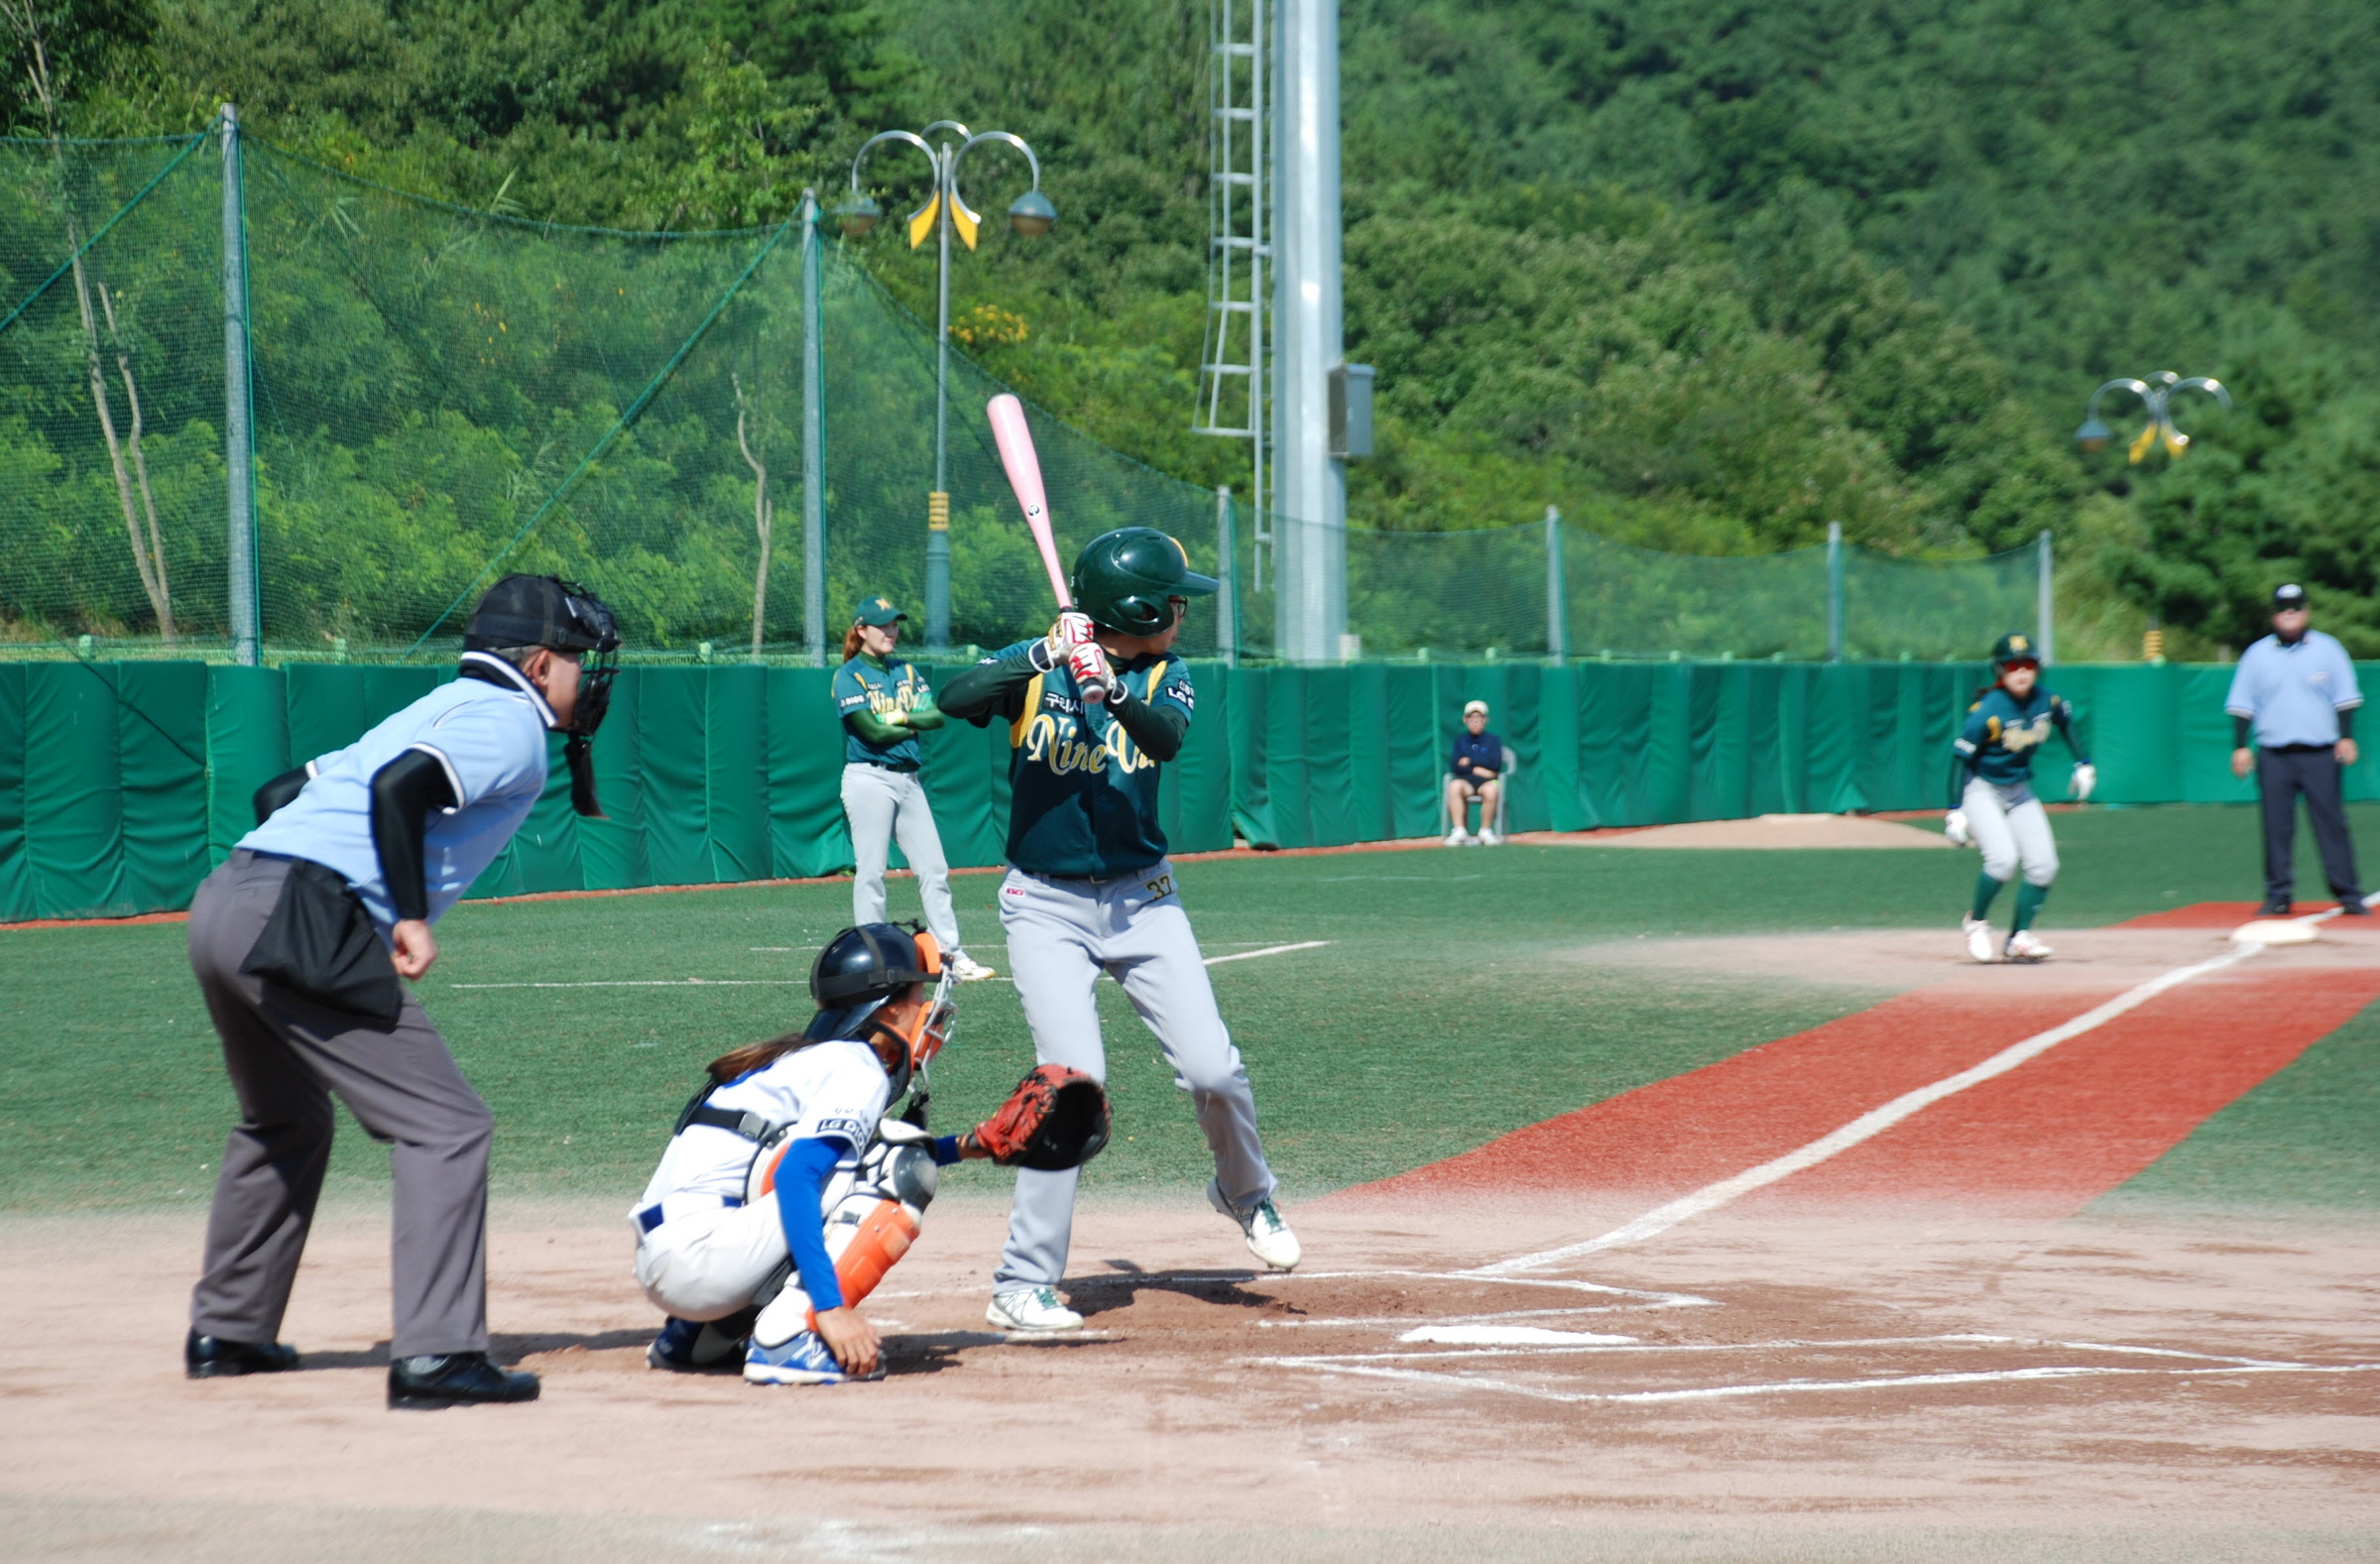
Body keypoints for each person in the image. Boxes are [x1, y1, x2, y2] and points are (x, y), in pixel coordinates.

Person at [185, 574, 619, 1408]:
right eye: (575, 660)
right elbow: (399, 790)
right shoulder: (511, 723)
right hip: (301, 915)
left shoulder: (436, 705)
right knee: (447, 1127)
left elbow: (280, 794)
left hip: (228, 897)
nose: (584, 677)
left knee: (288, 1118)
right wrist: (407, 917)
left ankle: (229, 1329)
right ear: (535, 662)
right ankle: (437, 1354)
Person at [940, 527, 1299, 1334]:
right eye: (1172, 600)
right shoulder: (1039, 667)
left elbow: (1162, 741)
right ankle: (1022, 1281)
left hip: (1144, 899)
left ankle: (1246, 1193)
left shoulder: (1171, 675)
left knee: (1213, 1068)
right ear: (1132, 607)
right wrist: (1038, 656)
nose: (1183, 610)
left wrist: (1112, 687)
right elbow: (948, 700)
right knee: (1068, 1087)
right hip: (1044, 904)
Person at [633, 922, 990, 1385]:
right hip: (703, 1261)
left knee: (863, 1163)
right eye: (919, 996)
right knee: (901, 1168)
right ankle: (788, 1337)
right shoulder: (857, 1069)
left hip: (676, 1260)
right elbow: (801, 1176)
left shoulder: (809, 1059)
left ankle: (702, 1336)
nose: (928, 1009)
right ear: (889, 1008)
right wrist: (830, 1306)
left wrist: (970, 1147)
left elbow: (853, 1157)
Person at [832, 596, 994, 982]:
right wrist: (909, 721)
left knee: (934, 869)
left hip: (908, 778)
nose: (891, 631)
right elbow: (871, 731)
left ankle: (950, 956)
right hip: (869, 777)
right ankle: (873, 955)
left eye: (894, 624)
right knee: (872, 871)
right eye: (883, 625)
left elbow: (936, 716)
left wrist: (901, 715)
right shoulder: (849, 675)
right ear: (861, 630)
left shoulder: (904, 669)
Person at [1945, 632, 2096, 963]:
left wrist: (2083, 763)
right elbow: (1960, 759)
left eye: (2028, 663)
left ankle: (2018, 938)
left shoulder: (2047, 700)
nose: (2022, 671)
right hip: (1982, 788)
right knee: (2002, 861)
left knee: (2044, 866)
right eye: (2013, 665)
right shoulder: (1987, 711)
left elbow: (2067, 722)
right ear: (2000, 670)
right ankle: (1976, 923)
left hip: (2019, 790)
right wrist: (1955, 811)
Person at [2225, 583, 2366, 916]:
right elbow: (2243, 704)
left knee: (2330, 823)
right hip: (2275, 753)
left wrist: (2346, 737)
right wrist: (2240, 747)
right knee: (2277, 826)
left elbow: (2345, 697)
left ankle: (2348, 893)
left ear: (2306, 611)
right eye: (2283, 608)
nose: (2290, 613)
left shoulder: (2328, 649)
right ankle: (2278, 895)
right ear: (2274, 614)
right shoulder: (2257, 654)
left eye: (2296, 607)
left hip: (2319, 752)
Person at [1444, 699, 1506, 846]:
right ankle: (1459, 831)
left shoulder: (1493, 740)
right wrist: (1476, 768)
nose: (1475, 722)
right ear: (1465, 720)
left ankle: (1485, 831)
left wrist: (1469, 761)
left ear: (1485, 720)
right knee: (1454, 786)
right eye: (1471, 719)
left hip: (1487, 782)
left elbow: (1494, 764)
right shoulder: (1460, 741)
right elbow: (1455, 765)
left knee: (1492, 790)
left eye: (1479, 719)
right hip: (1467, 782)